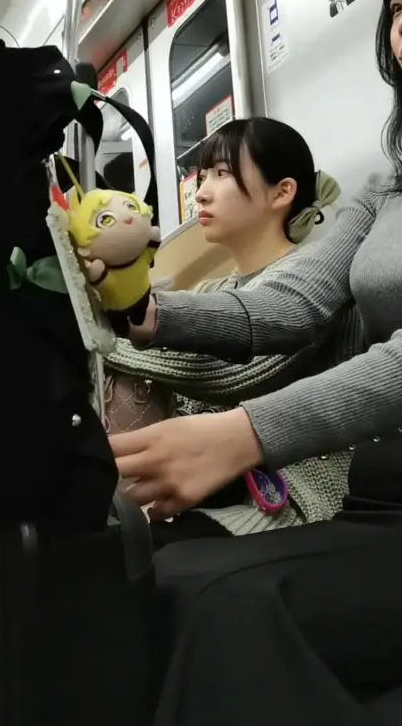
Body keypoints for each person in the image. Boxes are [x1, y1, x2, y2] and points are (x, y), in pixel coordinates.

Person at [108, 0, 402, 726]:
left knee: (236, 609)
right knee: (164, 582)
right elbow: (289, 304)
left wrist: (244, 434)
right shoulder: (396, 183)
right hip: (388, 501)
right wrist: (144, 311)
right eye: (395, 3)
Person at [107, 116, 358, 544]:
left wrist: (106, 340)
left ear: (282, 192)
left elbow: (232, 371)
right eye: (202, 176)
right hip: (210, 490)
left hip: (288, 498)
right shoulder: (213, 289)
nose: (201, 192)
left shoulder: (313, 279)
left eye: (222, 174)